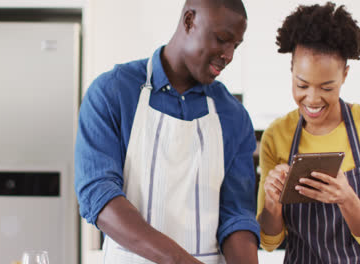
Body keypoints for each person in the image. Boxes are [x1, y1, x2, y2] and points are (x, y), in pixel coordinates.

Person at [75, 0, 260, 263]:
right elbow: (99, 195)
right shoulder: (112, 92)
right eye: (222, 39)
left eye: (235, 46)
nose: (229, 55)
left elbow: (237, 215)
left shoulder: (233, 115)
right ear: (189, 21)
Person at [257, 2, 360, 263]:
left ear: (344, 75)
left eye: (327, 87)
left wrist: (346, 199)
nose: (312, 99)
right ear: (291, 72)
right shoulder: (276, 135)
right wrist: (273, 202)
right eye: (302, 85)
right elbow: (269, 240)